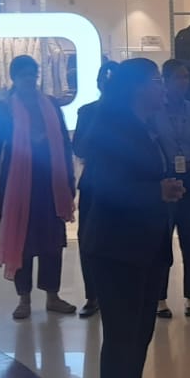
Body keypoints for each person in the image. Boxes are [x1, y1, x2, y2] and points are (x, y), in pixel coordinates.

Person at [77, 57, 182, 378]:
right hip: (116, 248)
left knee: (139, 334)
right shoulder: (111, 128)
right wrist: (157, 191)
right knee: (121, 337)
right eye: (156, 80)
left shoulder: (144, 125)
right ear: (136, 87)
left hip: (145, 244)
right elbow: (105, 188)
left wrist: (163, 188)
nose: (162, 86)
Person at [0, 55, 76, 320]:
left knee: (52, 242)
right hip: (17, 183)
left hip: (51, 183)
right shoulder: (4, 109)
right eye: (23, 74)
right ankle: (23, 299)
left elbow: (64, 145)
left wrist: (69, 180)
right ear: (14, 77)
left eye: (32, 74)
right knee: (21, 239)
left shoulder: (50, 105)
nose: (29, 79)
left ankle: (52, 296)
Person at [155, 58, 190, 318]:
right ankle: (160, 298)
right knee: (162, 238)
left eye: (186, 77)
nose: (183, 82)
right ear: (165, 80)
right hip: (165, 178)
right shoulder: (154, 111)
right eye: (178, 77)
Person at [71, 61, 118, 320]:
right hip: (94, 182)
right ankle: (92, 295)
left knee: (121, 238)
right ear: (98, 83)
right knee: (88, 238)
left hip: (124, 184)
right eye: (104, 80)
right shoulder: (87, 112)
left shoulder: (132, 113)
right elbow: (79, 148)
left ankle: (117, 292)